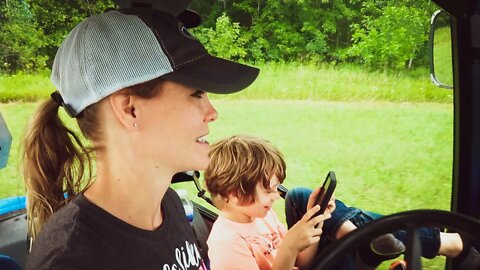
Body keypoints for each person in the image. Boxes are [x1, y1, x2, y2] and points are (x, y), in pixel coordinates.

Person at [21, 3, 259, 270]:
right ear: (130, 109)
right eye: (196, 94)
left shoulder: (169, 205)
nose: (212, 113)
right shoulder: (73, 260)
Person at [204, 135, 480, 270]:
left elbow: (304, 260)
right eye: (269, 191)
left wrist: (313, 223)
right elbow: (292, 259)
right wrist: (288, 248)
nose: (276, 196)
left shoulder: (261, 216)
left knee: (304, 199)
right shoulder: (227, 245)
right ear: (235, 193)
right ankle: (367, 242)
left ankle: (363, 240)